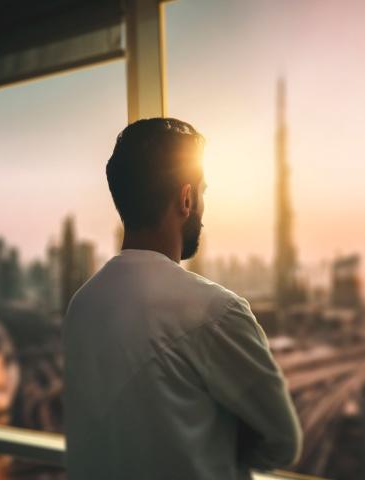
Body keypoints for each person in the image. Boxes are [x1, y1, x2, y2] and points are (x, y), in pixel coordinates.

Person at [63, 118, 302, 479]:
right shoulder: (216, 312)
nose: (203, 206)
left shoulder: (82, 305)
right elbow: (283, 440)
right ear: (186, 199)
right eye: (203, 191)